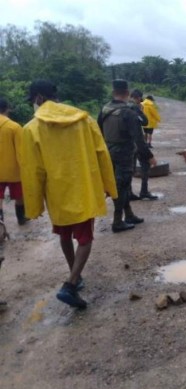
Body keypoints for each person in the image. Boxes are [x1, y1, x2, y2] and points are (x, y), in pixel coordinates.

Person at [21, 79, 118, 309]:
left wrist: (34, 207)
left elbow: (32, 170)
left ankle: (75, 275)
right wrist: (108, 187)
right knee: (85, 239)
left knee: (65, 235)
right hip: (83, 188)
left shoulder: (31, 129)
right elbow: (102, 154)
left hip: (57, 194)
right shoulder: (84, 120)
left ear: (38, 99)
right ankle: (71, 283)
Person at [98, 80, 156, 233]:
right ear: (127, 93)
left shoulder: (104, 109)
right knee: (122, 186)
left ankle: (129, 215)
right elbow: (138, 137)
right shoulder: (128, 112)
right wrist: (149, 156)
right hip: (124, 153)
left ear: (113, 92)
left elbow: (98, 132)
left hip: (108, 151)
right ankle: (117, 221)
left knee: (120, 185)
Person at [0, 98, 28, 226]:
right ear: (7, 108)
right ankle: (21, 218)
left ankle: (1, 223)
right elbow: (21, 152)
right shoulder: (14, 127)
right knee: (19, 195)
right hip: (14, 171)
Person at [129, 90, 158, 200]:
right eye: (140, 100)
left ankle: (129, 193)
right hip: (136, 144)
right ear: (138, 98)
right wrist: (140, 111)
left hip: (125, 145)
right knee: (145, 165)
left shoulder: (121, 107)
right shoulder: (135, 108)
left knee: (129, 169)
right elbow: (144, 122)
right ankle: (144, 191)